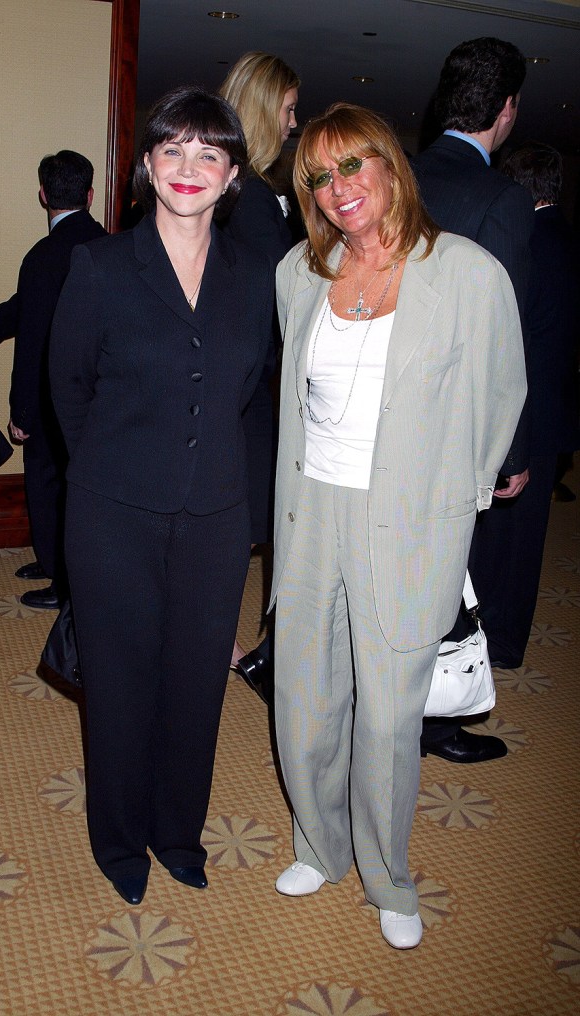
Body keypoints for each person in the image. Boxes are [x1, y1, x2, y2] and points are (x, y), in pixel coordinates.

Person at [271, 103, 526, 949]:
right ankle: (319, 843)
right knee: (305, 699)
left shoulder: (467, 272)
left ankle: (389, 878)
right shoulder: (298, 275)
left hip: (411, 520)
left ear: (388, 165)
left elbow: (500, 399)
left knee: (387, 720)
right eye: (318, 177)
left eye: (351, 167)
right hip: (312, 512)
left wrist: (456, 503)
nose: (337, 189)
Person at [49, 86, 273, 906]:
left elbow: (254, 394)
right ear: (146, 166)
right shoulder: (101, 266)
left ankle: (178, 832)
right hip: (113, 515)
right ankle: (118, 841)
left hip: (216, 518)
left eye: (209, 152)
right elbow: (68, 391)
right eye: (172, 149)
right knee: (119, 680)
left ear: (232, 176)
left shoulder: (259, 278)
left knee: (194, 684)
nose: (189, 167)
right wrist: (117, 472)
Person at [412, 37, 535, 763]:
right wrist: (510, 453)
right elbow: (504, 339)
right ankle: (434, 721)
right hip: (454, 432)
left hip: (377, 415)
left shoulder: (391, 178)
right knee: (446, 576)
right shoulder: (501, 199)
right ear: (508, 110)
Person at [0, 151, 106, 609]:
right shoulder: (107, 246)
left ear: (43, 196)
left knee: (48, 485)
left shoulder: (42, 255)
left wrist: (20, 409)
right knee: (78, 489)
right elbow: (25, 309)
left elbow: (33, 340)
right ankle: (54, 562)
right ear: (89, 195)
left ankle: (62, 583)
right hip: (97, 394)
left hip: (52, 396)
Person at [219, 51, 300, 682]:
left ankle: (257, 644)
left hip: (260, 385)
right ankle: (222, 645)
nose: (295, 124)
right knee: (239, 524)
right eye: (291, 110)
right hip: (246, 388)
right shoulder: (242, 193)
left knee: (261, 521)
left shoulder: (262, 189)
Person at [495, 142, 579, 663]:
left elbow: (511, 341)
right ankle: (508, 641)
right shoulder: (570, 241)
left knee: (503, 539)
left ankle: (493, 641)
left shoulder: (523, 242)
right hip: (556, 409)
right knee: (527, 542)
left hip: (521, 414)